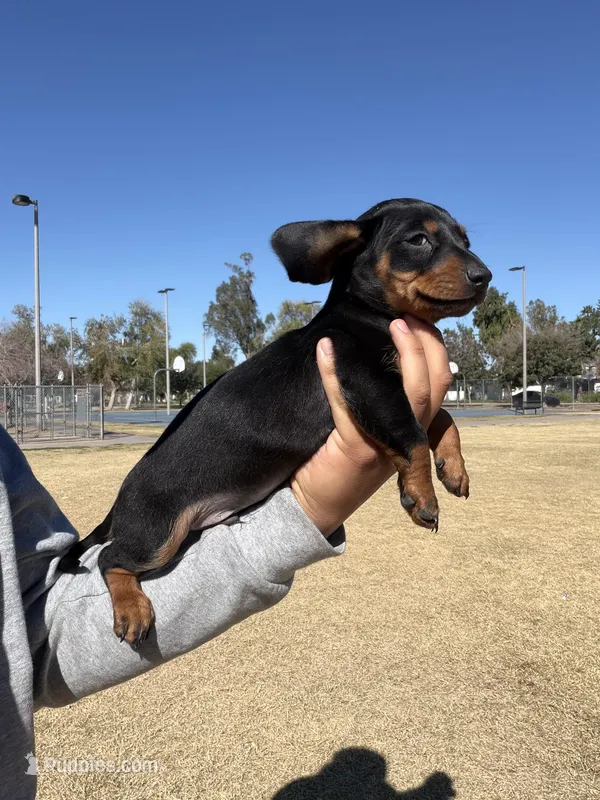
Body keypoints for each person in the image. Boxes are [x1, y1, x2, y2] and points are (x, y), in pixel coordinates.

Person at [0, 315, 452, 800]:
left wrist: (310, 510)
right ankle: (119, 570)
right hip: (170, 500)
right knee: (155, 546)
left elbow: (33, 626)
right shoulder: (344, 344)